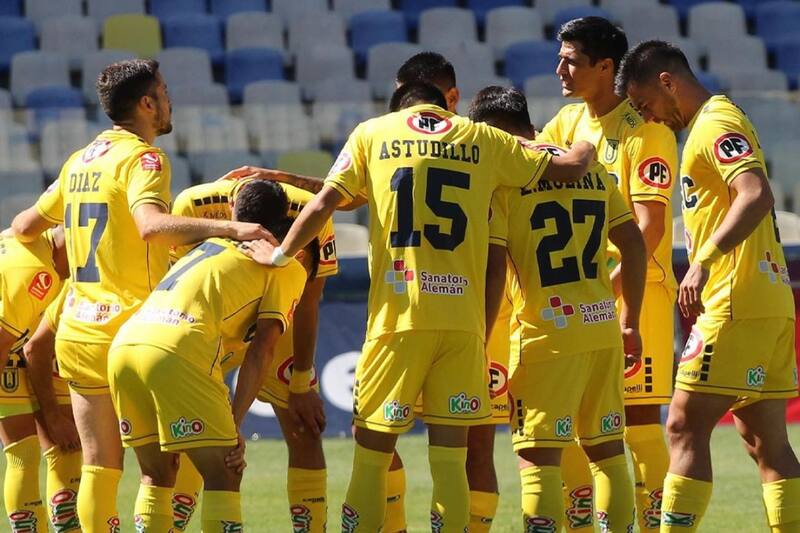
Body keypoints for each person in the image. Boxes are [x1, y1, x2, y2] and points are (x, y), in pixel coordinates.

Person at [242, 80, 596, 532]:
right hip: (462, 327)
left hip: (399, 320)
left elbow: (327, 202)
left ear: (402, 103)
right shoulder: (481, 137)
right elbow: (565, 168)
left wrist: (278, 255)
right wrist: (586, 143)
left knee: (371, 456)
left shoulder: (374, 132)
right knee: (452, 463)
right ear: (444, 99)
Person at [10, 58, 274, 531]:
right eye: (166, 91)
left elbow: (24, 226)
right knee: (173, 466)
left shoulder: (79, 161)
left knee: (99, 467)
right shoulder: (143, 159)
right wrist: (233, 226)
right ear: (147, 104)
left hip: (78, 328)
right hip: (133, 326)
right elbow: (151, 226)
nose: (171, 100)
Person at [616, 40, 800, 532]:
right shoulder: (711, 123)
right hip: (768, 298)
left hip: (735, 298)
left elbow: (755, 192)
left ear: (667, 82)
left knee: (681, 424)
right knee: (766, 441)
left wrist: (703, 262)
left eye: (645, 105)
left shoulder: (716, 121)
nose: (650, 117)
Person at [469, 85, 644, 532]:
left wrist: (480, 341)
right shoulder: (594, 170)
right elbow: (634, 245)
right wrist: (631, 320)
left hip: (545, 335)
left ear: (493, 132)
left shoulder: (506, 178)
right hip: (602, 327)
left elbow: (493, 274)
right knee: (607, 453)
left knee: (537, 457)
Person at [108, 181, 318, 531]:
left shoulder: (205, 245)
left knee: (157, 474)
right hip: (176, 348)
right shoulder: (286, 266)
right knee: (226, 471)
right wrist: (234, 423)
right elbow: (263, 349)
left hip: (126, 346)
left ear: (235, 210)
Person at [536, 17, 679, 530]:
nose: (560, 69)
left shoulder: (646, 132)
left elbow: (651, 226)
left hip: (637, 296)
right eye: (560, 58)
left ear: (605, 66)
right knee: (584, 427)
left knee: (637, 425)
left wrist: (610, 292)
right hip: (581, 299)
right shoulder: (565, 124)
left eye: (571, 60)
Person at [167, 173, 336, 532]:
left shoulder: (312, 213)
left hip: (278, 310)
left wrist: (302, 381)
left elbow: (309, 298)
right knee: (189, 435)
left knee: (303, 428)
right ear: (227, 209)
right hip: (214, 321)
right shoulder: (191, 206)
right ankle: (173, 522)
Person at [0, 227, 81, 532]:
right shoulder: (37, 272)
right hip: (9, 347)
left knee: (67, 449)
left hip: (34, 341)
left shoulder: (34, 243)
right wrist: (52, 416)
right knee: (24, 453)